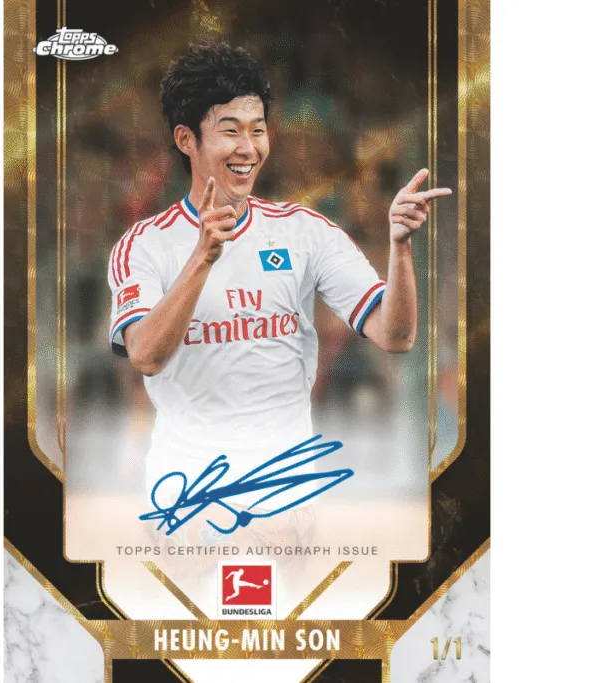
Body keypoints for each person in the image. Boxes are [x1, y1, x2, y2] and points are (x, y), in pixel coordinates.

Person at [107, 41, 451, 538]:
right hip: (185, 493)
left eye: (258, 129)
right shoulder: (145, 244)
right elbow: (144, 355)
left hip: (285, 493)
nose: (249, 147)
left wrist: (399, 248)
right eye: (230, 131)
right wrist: (202, 257)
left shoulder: (305, 231)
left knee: (295, 590)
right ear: (186, 139)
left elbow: (395, 336)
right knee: (182, 592)